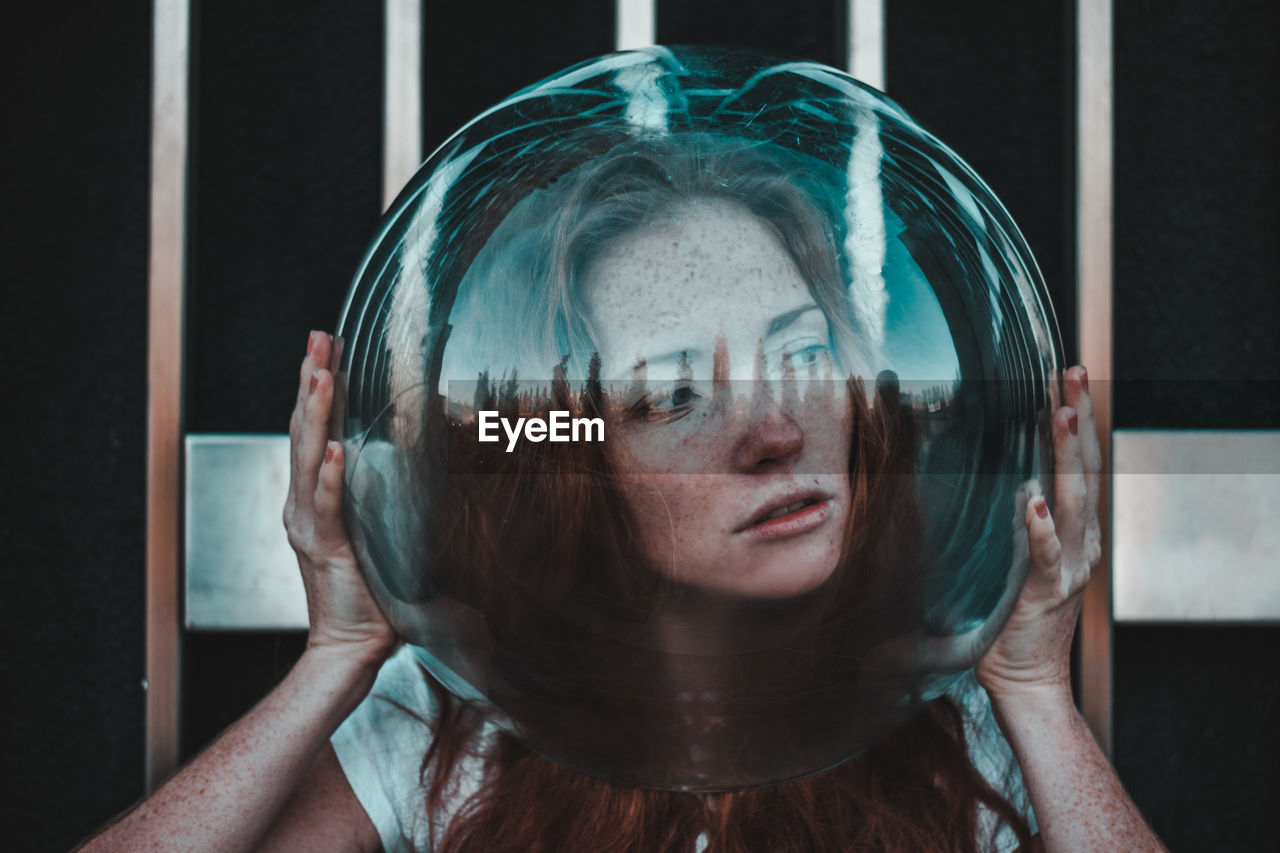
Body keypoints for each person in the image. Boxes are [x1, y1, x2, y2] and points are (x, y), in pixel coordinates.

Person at [76, 138, 1167, 853]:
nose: (776, 431)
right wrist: (336, 659)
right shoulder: (451, 726)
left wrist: (1031, 691)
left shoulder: (949, 725)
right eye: (675, 393)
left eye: (801, 356)